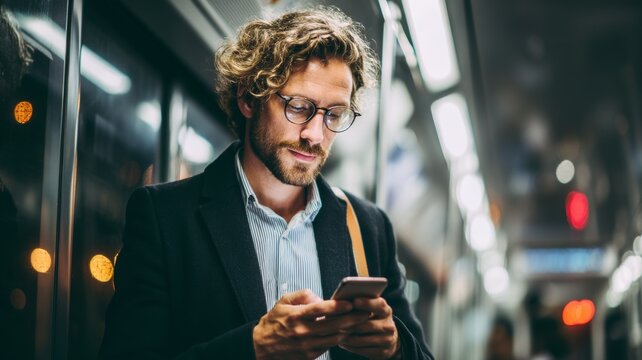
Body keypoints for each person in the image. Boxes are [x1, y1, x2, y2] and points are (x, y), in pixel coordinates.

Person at [100, 7, 433, 360]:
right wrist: (254, 347)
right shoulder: (164, 217)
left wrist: (397, 347)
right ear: (248, 98)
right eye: (299, 107)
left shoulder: (369, 227)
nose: (315, 135)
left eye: (334, 115)